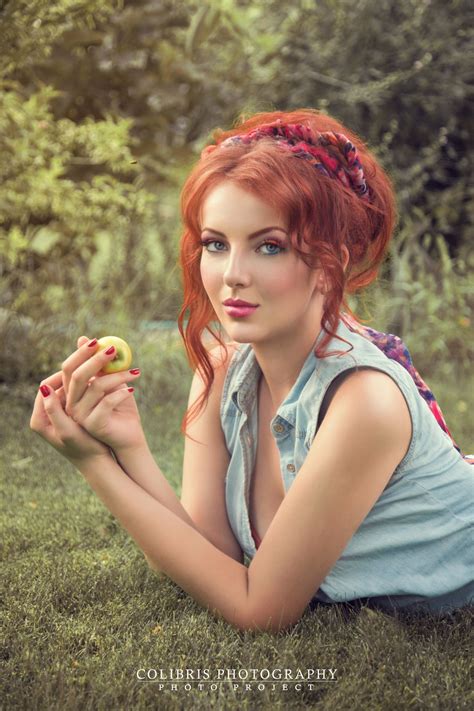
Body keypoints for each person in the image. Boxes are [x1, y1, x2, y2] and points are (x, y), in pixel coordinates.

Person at [30, 109, 474, 633]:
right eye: (216, 244)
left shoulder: (365, 402)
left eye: (269, 246)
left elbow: (259, 610)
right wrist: (124, 446)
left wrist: (93, 465)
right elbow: (203, 556)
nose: (232, 276)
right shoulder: (221, 371)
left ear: (335, 260)